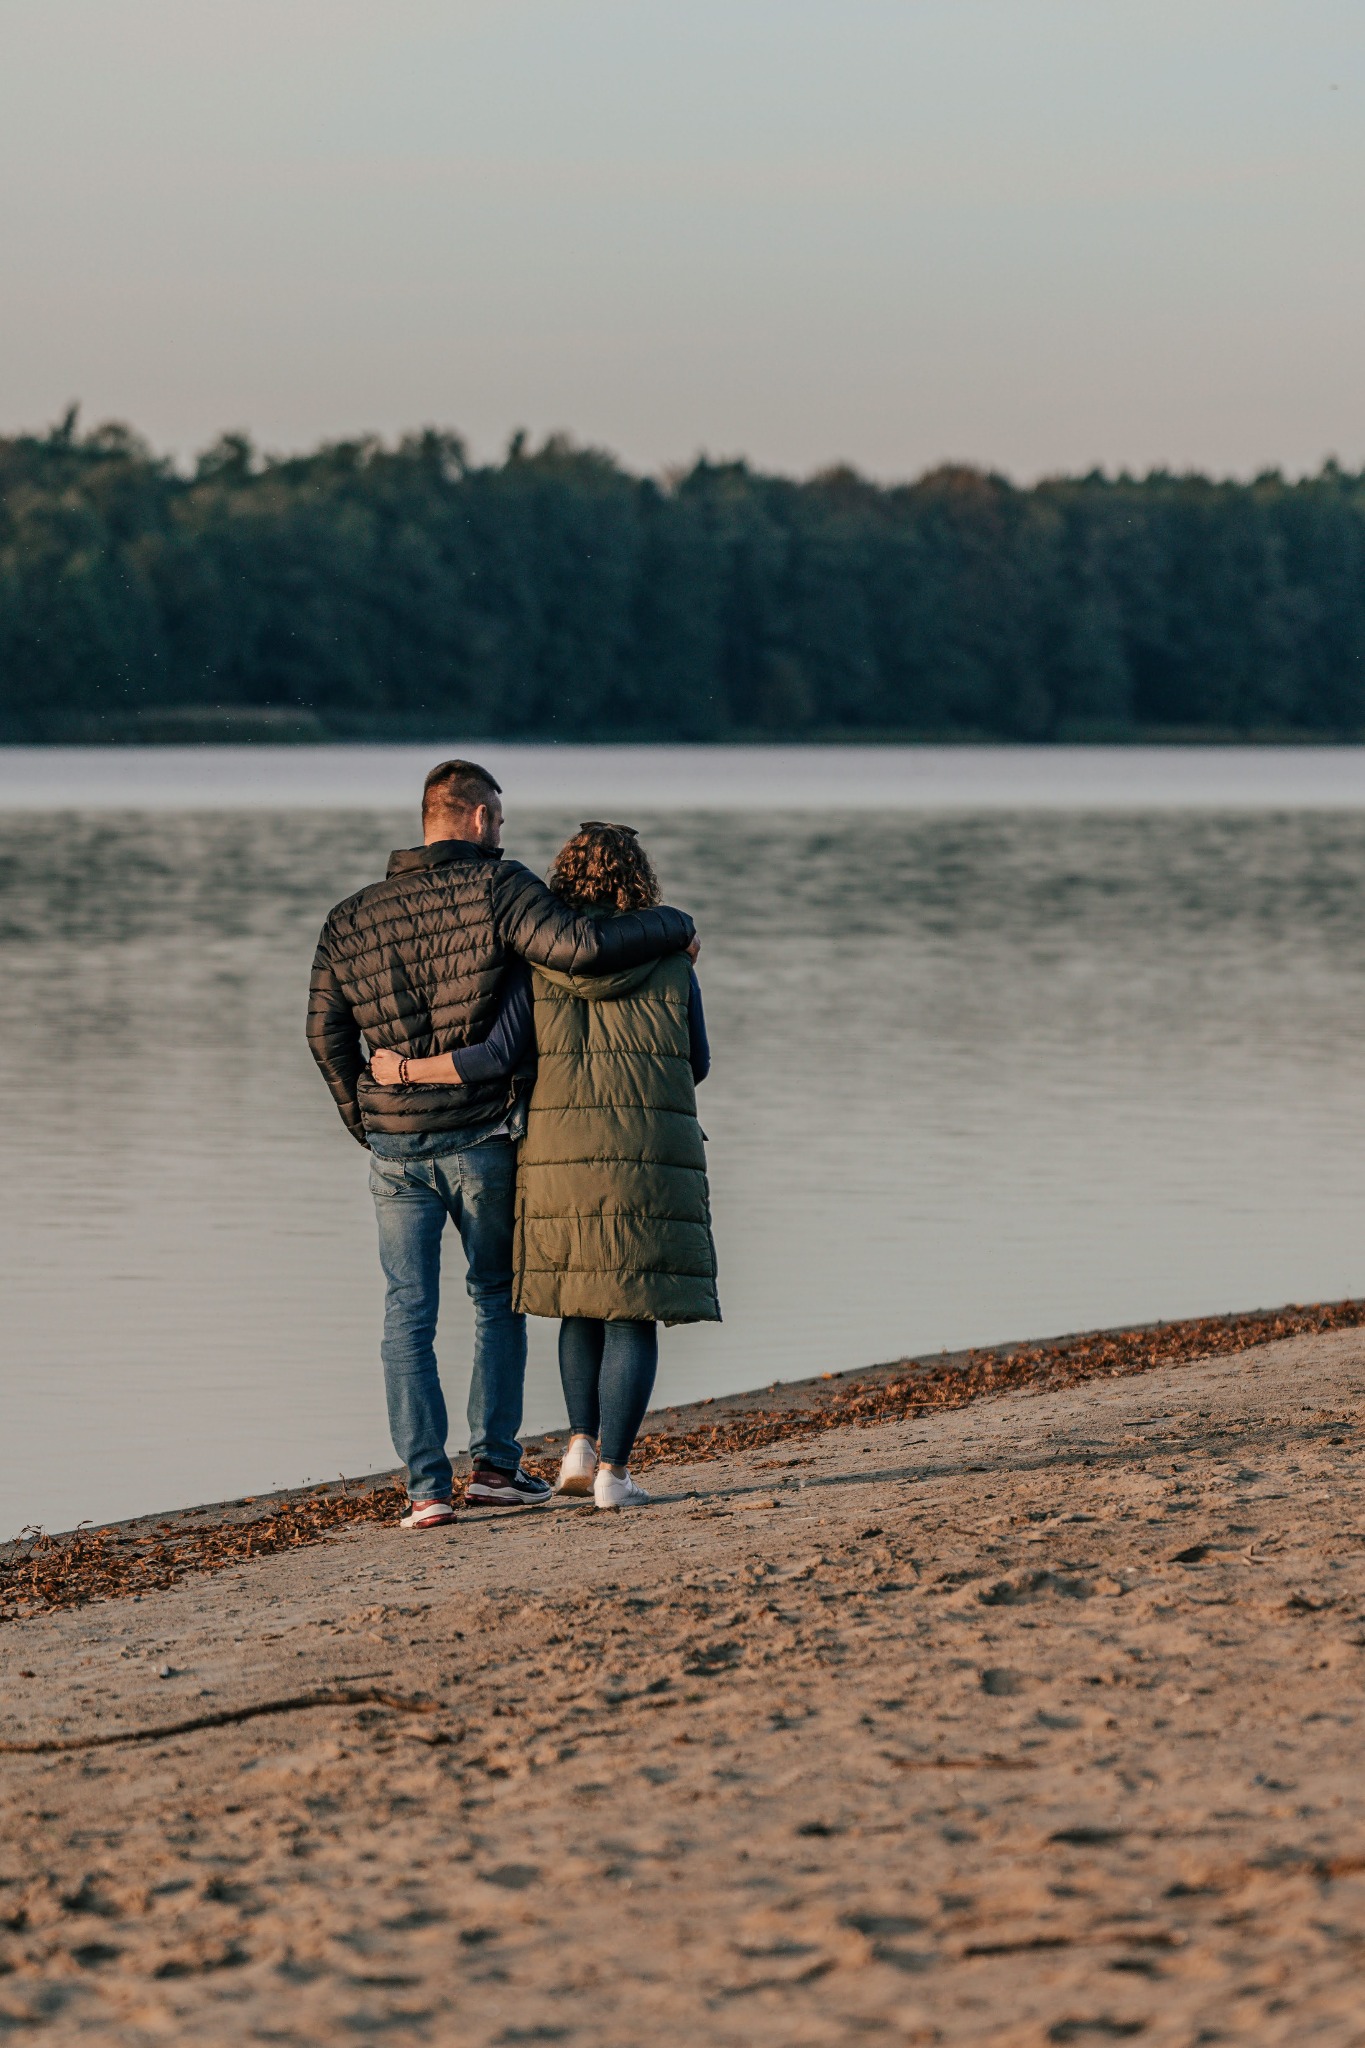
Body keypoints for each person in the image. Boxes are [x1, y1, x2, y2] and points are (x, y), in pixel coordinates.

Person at [306, 764, 698, 1531]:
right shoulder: (499, 886)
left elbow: (325, 1032)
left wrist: (368, 1119)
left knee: (405, 1313)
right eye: (501, 822)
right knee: (495, 1300)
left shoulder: (349, 916)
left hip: (393, 1146)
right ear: (482, 819)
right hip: (481, 1135)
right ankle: (492, 1469)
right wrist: (675, 924)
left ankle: (425, 1491)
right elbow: (580, 946)